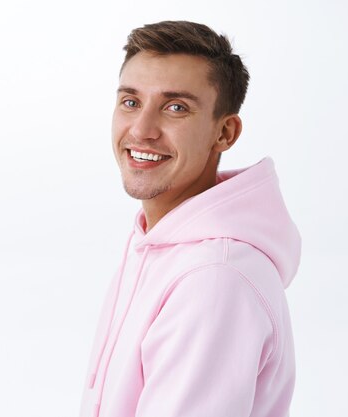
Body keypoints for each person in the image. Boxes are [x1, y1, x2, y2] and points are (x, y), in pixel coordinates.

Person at [79, 21, 301, 417]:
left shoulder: (215, 278)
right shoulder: (155, 243)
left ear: (225, 133)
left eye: (175, 107)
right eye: (130, 101)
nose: (142, 130)